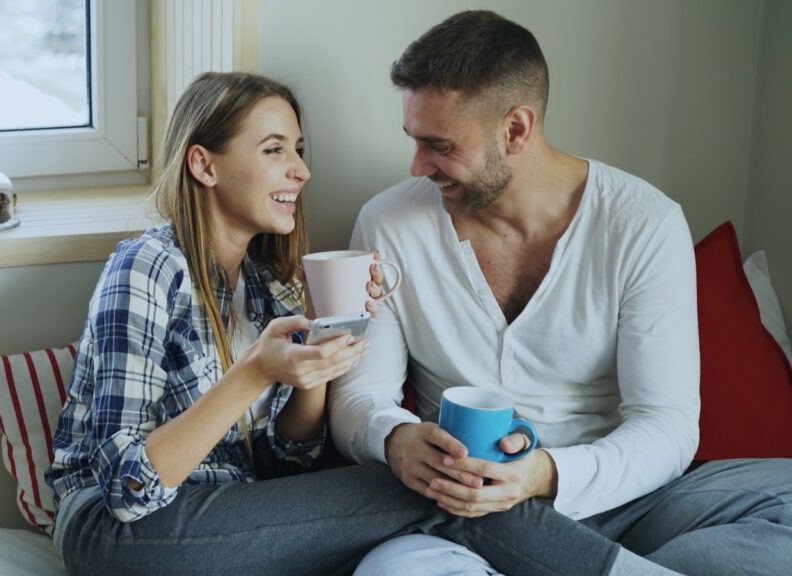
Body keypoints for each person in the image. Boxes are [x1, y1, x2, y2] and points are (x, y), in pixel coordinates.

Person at [44, 71, 662, 576]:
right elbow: (127, 489)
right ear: (204, 165)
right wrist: (254, 372)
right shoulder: (148, 267)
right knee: (438, 487)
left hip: (220, 514)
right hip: (115, 532)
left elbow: (287, 463)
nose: (301, 170)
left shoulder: (265, 289)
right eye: (274, 150)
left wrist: (321, 350)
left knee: (440, 490)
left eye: (299, 150)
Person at [330, 10, 792, 576]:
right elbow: (358, 397)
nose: (418, 166)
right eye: (414, 140)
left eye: (438, 145)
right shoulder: (388, 223)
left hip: (622, 506)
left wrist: (547, 474)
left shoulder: (643, 223)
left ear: (516, 130)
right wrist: (396, 438)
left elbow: (666, 426)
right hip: (455, 515)